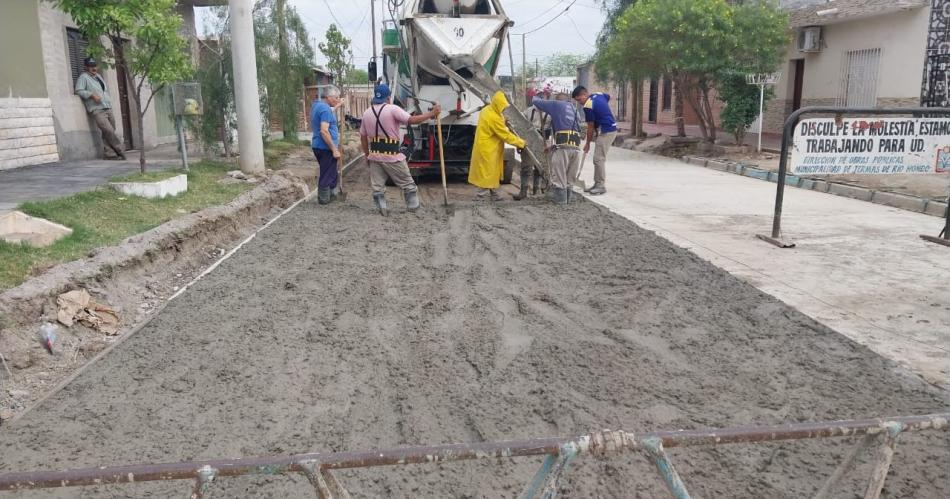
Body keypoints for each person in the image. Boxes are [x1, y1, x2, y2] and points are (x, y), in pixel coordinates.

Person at [359, 84, 441, 215]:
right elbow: (412, 120)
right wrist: (432, 113)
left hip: (374, 155)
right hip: (391, 155)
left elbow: (363, 137)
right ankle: (413, 207)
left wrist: (367, 155)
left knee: (377, 187)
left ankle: (382, 207)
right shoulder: (392, 109)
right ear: (388, 97)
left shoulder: (367, 113)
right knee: (408, 184)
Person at [469, 91, 526, 201]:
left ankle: (494, 194)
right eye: (502, 107)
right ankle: (480, 196)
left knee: (492, 172)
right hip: (489, 149)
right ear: (497, 105)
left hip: (485, 146)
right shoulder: (494, 117)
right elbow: (505, 135)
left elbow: (495, 120)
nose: (503, 110)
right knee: (487, 172)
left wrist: (503, 120)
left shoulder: (487, 110)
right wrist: (521, 143)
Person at [531, 92, 582, 204]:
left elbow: (535, 101)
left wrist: (539, 96)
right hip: (576, 148)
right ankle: (568, 199)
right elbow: (571, 133)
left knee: (559, 177)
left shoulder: (556, 104)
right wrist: (553, 146)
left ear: (557, 100)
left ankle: (560, 200)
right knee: (569, 179)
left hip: (563, 149)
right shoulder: (574, 110)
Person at [74, 57, 125, 160]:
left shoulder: (99, 77)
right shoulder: (83, 77)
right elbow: (79, 90)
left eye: (95, 66)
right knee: (108, 130)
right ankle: (120, 150)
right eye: (91, 66)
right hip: (97, 109)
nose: (94, 68)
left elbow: (104, 91)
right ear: (86, 67)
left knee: (109, 131)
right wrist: (92, 95)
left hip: (107, 107)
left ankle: (109, 154)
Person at [572, 86, 618, 195]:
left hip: (606, 131)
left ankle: (600, 185)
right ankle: (597, 184)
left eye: (579, 99)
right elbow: (608, 97)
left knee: (598, 159)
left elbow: (590, 127)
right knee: (598, 158)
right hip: (611, 128)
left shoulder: (588, 106)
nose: (579, 103)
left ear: (585, 95)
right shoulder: (598, 95)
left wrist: (587, 143)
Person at [311, 85, 343, 205]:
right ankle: (323, 199)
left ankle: (331, 195)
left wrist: (338, 105)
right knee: (326, 173)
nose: (337, 99)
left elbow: (329, 112)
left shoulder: (318, 106)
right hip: (326, 147)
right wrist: (334, 149)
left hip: (318, 145)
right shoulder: (325, 109)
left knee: (331, 171)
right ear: (329, 97)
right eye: (336, 97)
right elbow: (324, 131)